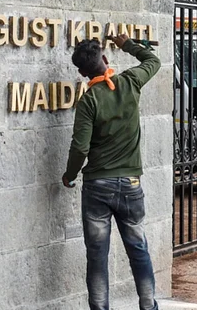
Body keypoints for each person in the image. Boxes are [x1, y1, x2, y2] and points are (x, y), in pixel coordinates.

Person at [62, 34, 161, 310]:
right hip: (130, 184)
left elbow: (80, 148)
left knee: (97, 257)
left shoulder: (89, 101)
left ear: (82, 73)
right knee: (138, 250)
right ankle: (148, 306)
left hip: (97, 187)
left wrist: (69, 175)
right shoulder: (130, 82)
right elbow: (153, 60)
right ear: (105, 60)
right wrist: (126, 43)